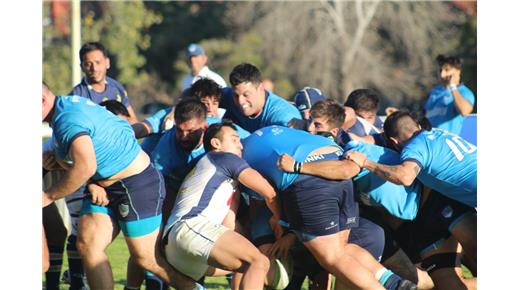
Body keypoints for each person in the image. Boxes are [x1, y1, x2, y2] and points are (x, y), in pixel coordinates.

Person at [279, 100, 476, 289]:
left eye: (316, 125)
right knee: (440, 281)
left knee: (473, 248)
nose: (310, 130)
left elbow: (400, 175)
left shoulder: (354, 153)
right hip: (419, 220)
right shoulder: (378, 141)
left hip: (436, 201)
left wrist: (297, 167)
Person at [41, 83, 194, 290]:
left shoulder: (67, 119)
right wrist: (90, 177)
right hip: (105, 187)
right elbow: (113, 133)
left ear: (41, 101)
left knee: (147, 259)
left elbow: (85, 166)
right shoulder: (68, 104)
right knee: (88, 245)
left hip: (137, 184)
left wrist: (48, 196)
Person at [242, 125, 417, 290]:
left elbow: (269, 193)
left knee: (332, 258)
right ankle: (393, 282)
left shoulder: (239, 157)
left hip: (310, 184)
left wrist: (279, 218)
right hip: (340, 175)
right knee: (342, 249)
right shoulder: (270, 133)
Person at [346, 110, 477, 273]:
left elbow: (405, 176)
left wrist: (366, 162)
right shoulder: (438, 133)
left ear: (394, 141)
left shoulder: (413, 148)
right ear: (419, 126)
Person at [163, 122, 284, 289]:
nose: (241, 145)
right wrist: (280, 220)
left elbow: (229, 223)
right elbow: (269, 192)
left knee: (248, 264)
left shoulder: (217, 173)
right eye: (234, 140)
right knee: (258, 261)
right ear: (216, 144)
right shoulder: (224, 158)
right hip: (190, 228)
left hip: (176, 247)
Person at [220, 63, 302, 132]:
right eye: (236, 95)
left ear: (261, 88)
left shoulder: (283, 116)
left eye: (246, 95)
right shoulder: (229, 96)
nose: (240, 101)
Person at [70, 41, 138, 124]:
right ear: (82, 67)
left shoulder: (117, 88)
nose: (94, 68)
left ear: (107, 63)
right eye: (88, 64)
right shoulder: (77, 96)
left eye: (98, 62)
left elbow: (133, 120)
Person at [424, 54, 475, 135]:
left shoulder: (464, 92)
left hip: (446, 143)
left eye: (447, 70)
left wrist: (453, 86)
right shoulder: (435, 91)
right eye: (441, 70)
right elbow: (425, 115)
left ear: (458, 72)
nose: (442, 75)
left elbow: (465, 111)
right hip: (429, 141)